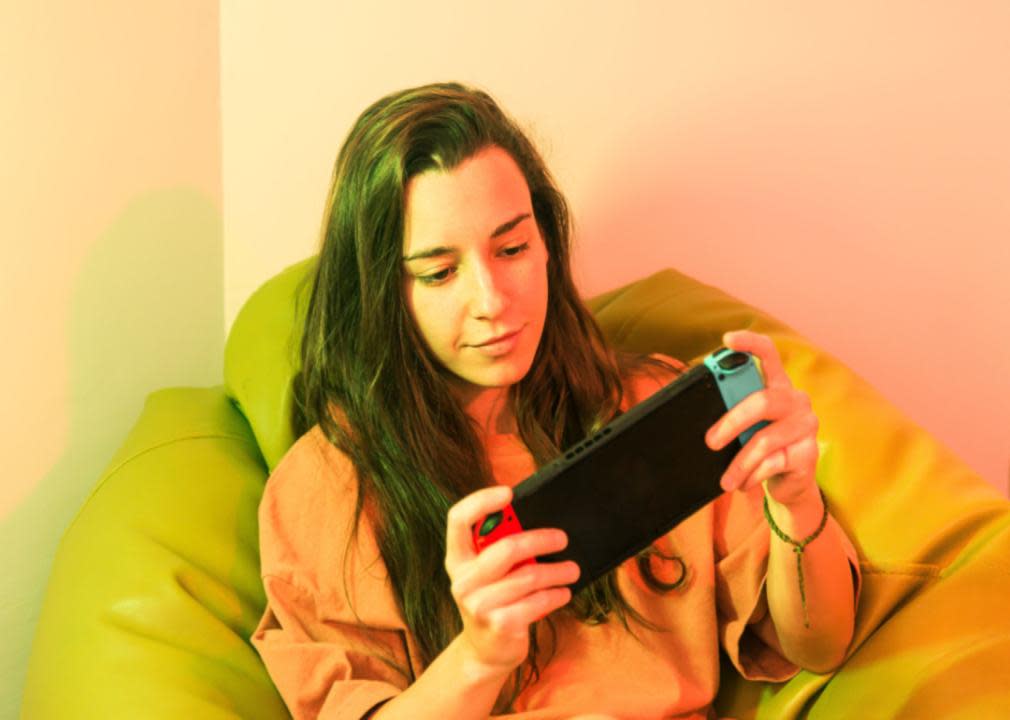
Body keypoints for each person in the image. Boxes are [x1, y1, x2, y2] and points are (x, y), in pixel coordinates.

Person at [250, 81, 860, 719]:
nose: (492, 301)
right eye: (439, 273)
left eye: (512, 248)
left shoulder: (647, 408)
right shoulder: (325, 487)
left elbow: (819, 644)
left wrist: (795, 501)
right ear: (383, 294)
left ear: (547, 243)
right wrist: (479, 657)